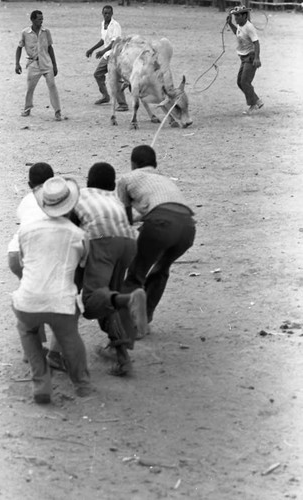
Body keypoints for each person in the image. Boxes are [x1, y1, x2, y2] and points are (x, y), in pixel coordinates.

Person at [11, 176, 90, 404]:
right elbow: (83, 264)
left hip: (28, 301)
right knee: (70, 337)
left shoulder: (26, 231)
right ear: (71, 204)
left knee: (26, 329)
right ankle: (81, 383)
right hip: (61, 303)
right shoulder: (79, 235)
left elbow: (24, 262)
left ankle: (41, 381)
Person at [73, 162, 147, 376]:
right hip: (128, 244)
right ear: (112, 184)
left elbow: (70, 229)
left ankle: (130, 299)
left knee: (92, 300)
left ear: (88, 180)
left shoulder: (79, 195)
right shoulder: (115, 199)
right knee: (108, 300)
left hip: (102, 241)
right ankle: (123, 358)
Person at [117, 145, 196, 335]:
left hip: (160, 223)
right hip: (187, 226)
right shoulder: (164, 180)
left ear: (133, 164)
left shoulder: (127, 179)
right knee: (161, 270)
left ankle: (127, 329)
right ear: (155, 164)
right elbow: (161, 207)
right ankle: (146, 316)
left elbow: (126, 218)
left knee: (135, 274)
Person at [8, 163, 67, 372]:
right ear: (53, 182)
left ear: (28, 184)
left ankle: (31, 349)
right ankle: (56, 353)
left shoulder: (25, 200)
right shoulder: (62, 199)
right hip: (45, 254)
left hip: (16, 254)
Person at [15, 10, 62, 121]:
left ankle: (57, 111)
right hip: (33, 64)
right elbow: (19, 48)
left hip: (46, 63)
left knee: (52, 86)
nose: (41, 21)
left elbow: (50, 48)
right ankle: (27, 108)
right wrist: (17, 64)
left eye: (42, 19)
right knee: (30, 88)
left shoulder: (46, 32)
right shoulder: (25, 33)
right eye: (39, 19)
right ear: (32, 20)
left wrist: (54, 65)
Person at [86, 5, 128, 111]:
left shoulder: (116, 25)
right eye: (105, 13)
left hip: (115, 55)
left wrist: (102, 51)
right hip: (107, 55)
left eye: (109, 13)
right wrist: (92, 49)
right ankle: (105, 96)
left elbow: (114, 43)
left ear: (112, 14)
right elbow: (103, 40)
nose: (107, 15)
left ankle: (123, 104)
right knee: (98, 74)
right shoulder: (103, 24)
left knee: (114, 78)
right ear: (102, 13)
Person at [226, 5, 263, 115]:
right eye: (234, 16)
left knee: (245, 82)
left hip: (250, 57)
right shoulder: (240, 25)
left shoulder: (249, 27)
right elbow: (237, 33)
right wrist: (230, 24)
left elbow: (256, 43)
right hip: (244, 58)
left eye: (237, 16)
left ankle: (253, 105)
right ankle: (256, 100)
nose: (235, 18)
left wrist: (257, 58)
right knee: (240, 82)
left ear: (244, 15)